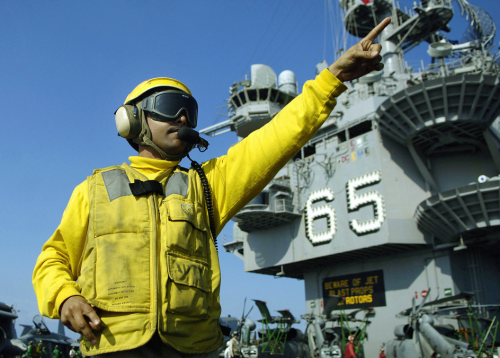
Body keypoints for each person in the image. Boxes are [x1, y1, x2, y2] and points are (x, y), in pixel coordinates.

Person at [33, 17, 391, 358]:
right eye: (171, 107)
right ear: (133, 118)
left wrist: (333, 78)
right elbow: (54, 259)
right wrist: (64, 297)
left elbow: (277, 137)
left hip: (193, 350)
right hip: (112, 348)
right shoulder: (95, 190)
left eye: (190, 109)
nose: (184, 118)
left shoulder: (206, 186)